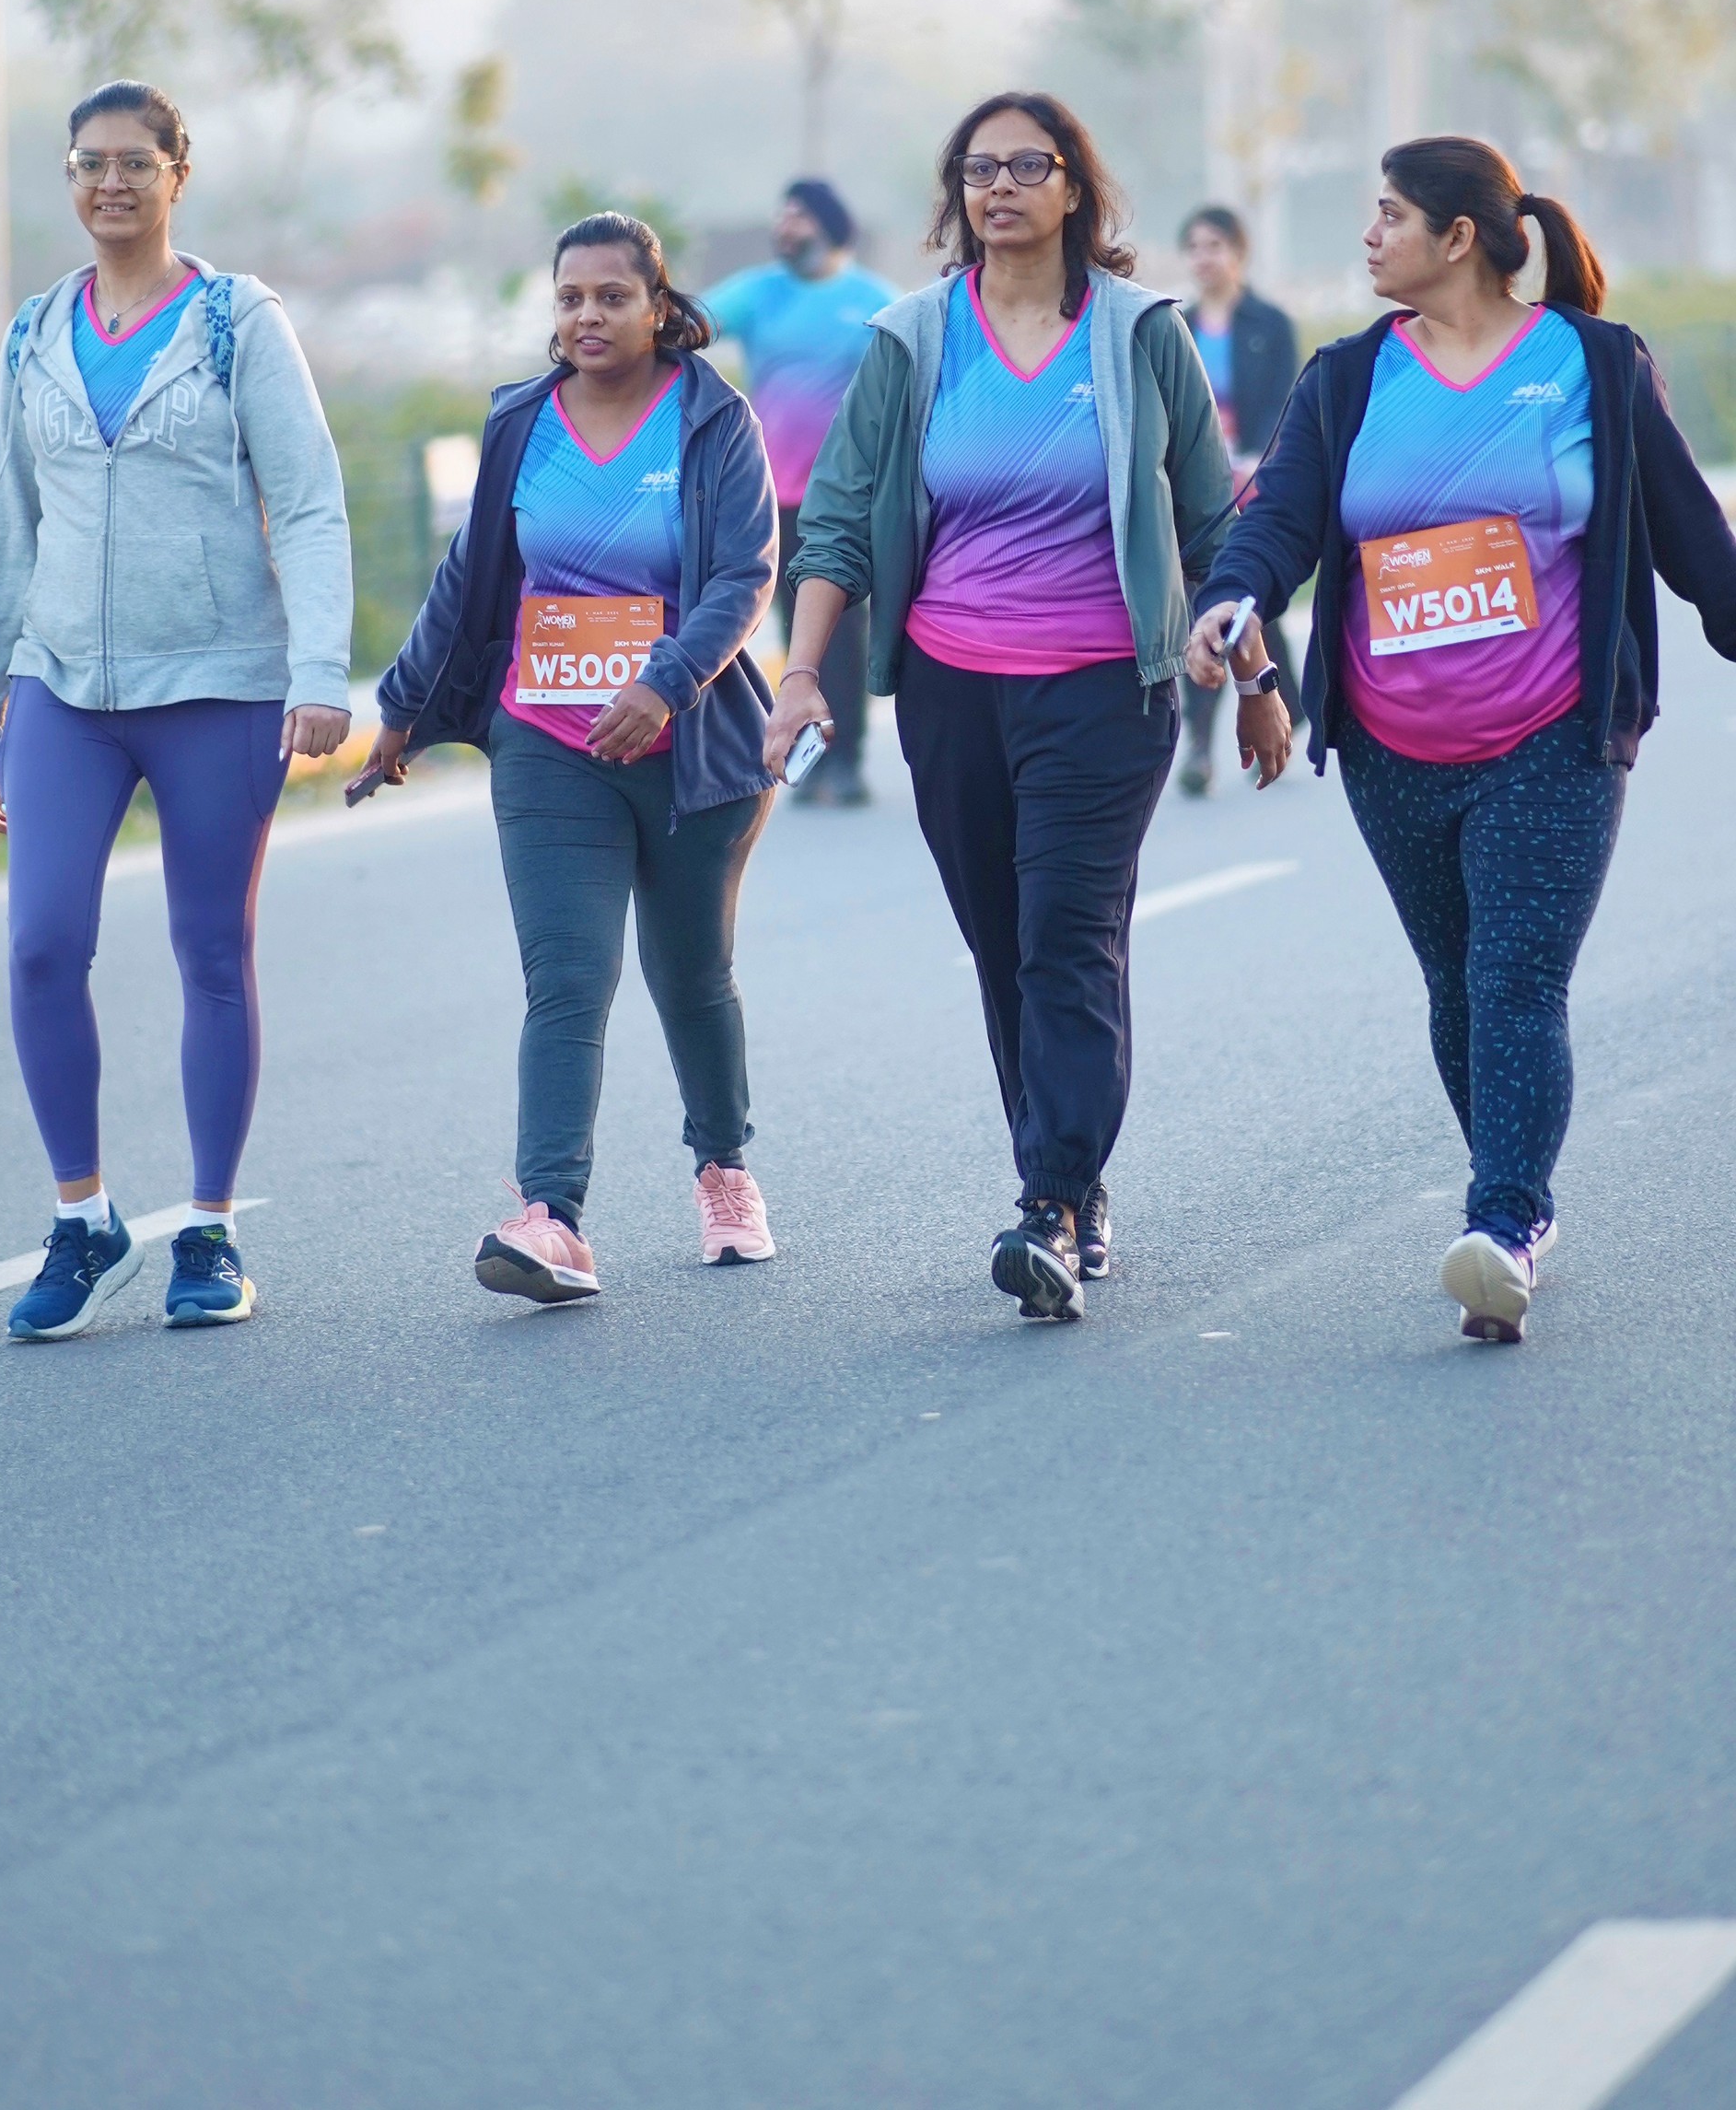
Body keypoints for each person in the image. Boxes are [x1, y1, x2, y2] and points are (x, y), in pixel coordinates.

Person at [1188, 135, 1736, 1345]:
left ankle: (1505, 1222)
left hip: (1554, 734)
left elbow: (1695, 541)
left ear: (1460, 236)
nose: (1369, 235)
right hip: (1392, 745)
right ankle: (1513, 1190)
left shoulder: (1594, 363)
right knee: (1457, 987)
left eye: (1390, 214)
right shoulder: (1346, 379)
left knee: (1515, 980)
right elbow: (1277, 519)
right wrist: (1233, 601)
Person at [766, 94, 1290, 1323]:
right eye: (978, 167)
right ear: (957, 193)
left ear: (1073, 189)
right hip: (951, 693)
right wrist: (799, 677)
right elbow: (834, 519)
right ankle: (1070, 1180)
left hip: (1106, 692)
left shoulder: (1140, 333)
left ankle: (1049, 1200)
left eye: (1027, 165)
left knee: (1066, 937)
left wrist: (1257, 678)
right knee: (1006, 947)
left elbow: (1215, 528)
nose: (999, 185)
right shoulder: (911, 340)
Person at [0, 80, 354, 1340]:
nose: (111, 183)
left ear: (181, 173)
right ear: (69, 179)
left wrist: (320, 673)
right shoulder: (34, 333)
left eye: (135, 162)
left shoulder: (239, 324)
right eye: (89, 163)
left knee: (211, 952)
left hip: (220, 685)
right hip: (62, 686)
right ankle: (82, 1219)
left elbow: (309, 501)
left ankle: (210, 1231)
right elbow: (6, 531)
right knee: (38, 944)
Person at [352, 213, 780, 1303]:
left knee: (692, 976)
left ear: (658, 307)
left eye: (613, 297)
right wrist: (400, 711)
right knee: (568, 980)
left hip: (691, 750)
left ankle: (724, 1170)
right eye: (571, 298)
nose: (589, 316)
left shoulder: (712, 419)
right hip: (547, 742)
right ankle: (551, 1218)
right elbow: (467, 578)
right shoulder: (521, 423)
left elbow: (744, 575)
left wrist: (663, 682)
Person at [706, 180, 895, 803]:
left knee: (842, 626)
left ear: (831, 226)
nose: (785, 227)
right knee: (796, 627)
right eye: (782, 216)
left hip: (848, 498)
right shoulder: (759, 292)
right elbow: (687, 325)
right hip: (772, 495)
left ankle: (846, 762)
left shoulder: (873, 301)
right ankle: (810, 757)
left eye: (799, 216)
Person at [1177, 204, 1305, 795]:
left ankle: (1277, 707)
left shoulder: (1269, 324)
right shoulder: (1176, 326)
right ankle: (1203, 743)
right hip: (1196, 494)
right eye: (1195, 247)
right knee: (1207, 609)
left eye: (1215, 245)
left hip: (1252, 488)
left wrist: (1259, 460)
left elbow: (1286, 404)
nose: (1205, 258)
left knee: (1247, 606)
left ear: (1238, 252)